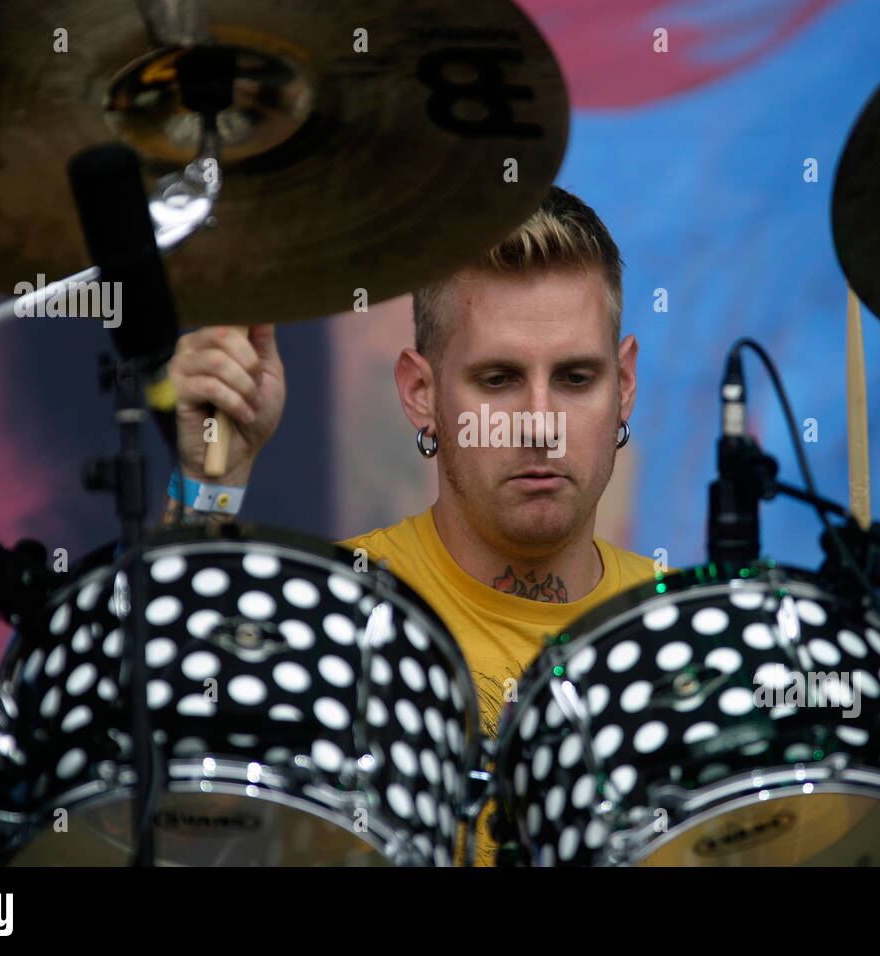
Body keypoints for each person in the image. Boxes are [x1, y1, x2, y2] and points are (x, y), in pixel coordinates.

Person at [161, 186, 657, 864]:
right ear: (421, 394)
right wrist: (208, 481)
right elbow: (178, 817)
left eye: (575, 378)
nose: (541, 425)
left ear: (624, 385)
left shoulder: (682, 642)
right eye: (499, 379)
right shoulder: (330, 617)